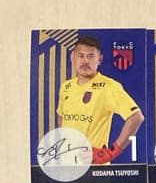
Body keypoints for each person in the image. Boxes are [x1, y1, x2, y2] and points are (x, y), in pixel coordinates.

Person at [55, 34, 143, 163]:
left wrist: (111, 152)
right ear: (72, 57)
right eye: (81, 56)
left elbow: (136, 117)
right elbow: (61, 116)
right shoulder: (66, 86)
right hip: (68, 164)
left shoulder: (108, 87)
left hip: (94, 167)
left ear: (99, 59)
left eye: (90, 56)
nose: (85, 61)